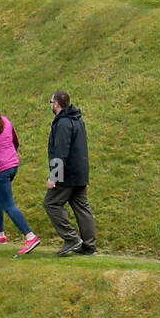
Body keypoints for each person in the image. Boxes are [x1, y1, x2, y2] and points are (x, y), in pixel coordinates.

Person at [0, 96, 40, 255]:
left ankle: (30, 236)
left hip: (0, 169)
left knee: (8, 205)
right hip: (13, 165)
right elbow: (15, 142)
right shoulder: (5, 120)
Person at [44, 91, 96, 256]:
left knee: (51, 204)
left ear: (57, 104)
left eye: (51, 101)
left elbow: (60, 152)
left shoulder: (63, 123)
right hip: (80, 173)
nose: (51, 105)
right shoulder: (78, 120)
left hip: (67, 175)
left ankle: (71, 238)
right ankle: (89, 246)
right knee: (82, 208)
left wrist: (54, 176)